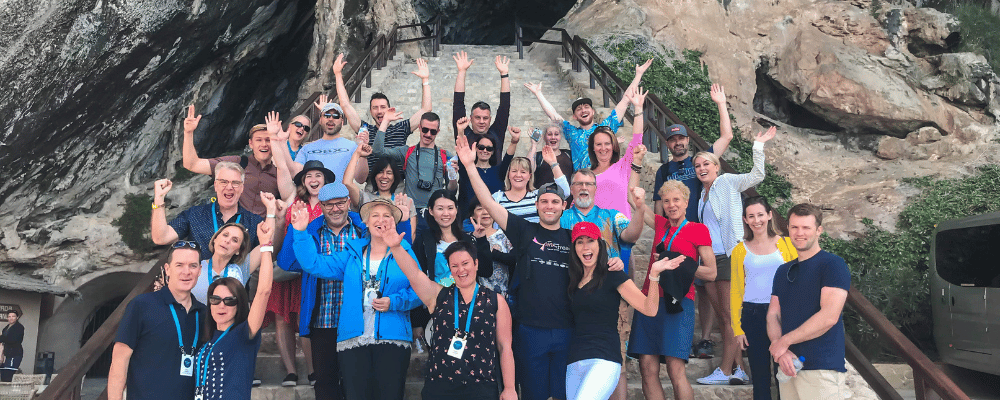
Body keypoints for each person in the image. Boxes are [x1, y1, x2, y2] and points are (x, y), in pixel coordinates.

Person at [455, 133, 625, 400]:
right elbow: (488, 202)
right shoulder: (524, 230)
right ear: (536, 205)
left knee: (562, 395)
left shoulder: (573, 239)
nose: (549, 205)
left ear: (563, 205)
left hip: (567, 331)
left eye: (555, 201)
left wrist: (614, 261)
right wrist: (468, 166)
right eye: (544, 201)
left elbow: (598, 262)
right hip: (530, 330)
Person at [277, 182, 409, 399]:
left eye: (340, 203)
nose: (335, 208)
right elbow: (288, 263)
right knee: (327, 383)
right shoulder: (311, 228)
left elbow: (402, 257)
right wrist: (296, 230)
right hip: (325, 318)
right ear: (320, 206)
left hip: (362, 320)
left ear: (349, 203)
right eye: (329, 205)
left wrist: (402, 222)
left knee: (361, 386)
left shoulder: (365, 227)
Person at [650, 85, 734, 359]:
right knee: (688, 284)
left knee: (706, 289)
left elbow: (726, 136)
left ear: (687, 140)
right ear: (668, 144)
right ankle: (680, 336)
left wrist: (721, 103)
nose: (677, 143)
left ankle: (707, 338)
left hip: (704, 233)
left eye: (681, 139)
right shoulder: (664, 170)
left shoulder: (701, 161)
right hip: (679, 234)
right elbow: (659, 204)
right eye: (673, 140)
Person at [565, 222, 685, 400]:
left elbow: (649, 309)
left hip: (604, 359)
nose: (585, 246)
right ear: (574, 248)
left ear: (600, 244)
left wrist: (654, 275)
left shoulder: (612, 274)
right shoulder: (572, 280)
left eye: (590, 240)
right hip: (575, 361)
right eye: (579, 242)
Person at [694, 126, 776, 386]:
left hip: (730, 256)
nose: (702, 168)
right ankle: (739, 369)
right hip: (710, 260)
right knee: (723, 318)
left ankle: (725, 370)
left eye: (706, 163)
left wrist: (758, 147)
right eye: (697, 166)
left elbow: (758, 174)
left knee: (731, 316)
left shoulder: (727, 182)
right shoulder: (700, 195)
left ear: (716, 166)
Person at [394, 238, 517, 400]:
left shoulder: (496, 301)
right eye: (454, 266)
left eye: (465, 263)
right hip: (440, 387)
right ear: (450, 269)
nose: (461, 270)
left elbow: (505, 347)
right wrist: (395, 246)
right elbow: (414, 274)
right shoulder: (437, 296)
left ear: (476, 264)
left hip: (482, 387)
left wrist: (510, 388)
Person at [628, 180, 717, 400]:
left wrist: (681, 262)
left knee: (675, 369)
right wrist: (636, 164)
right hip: (649, 300)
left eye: (676, 200)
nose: (671, 205)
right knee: (647, 368)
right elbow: (634, 200)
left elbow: (712, 272)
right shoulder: (660, 224)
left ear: (686, 202)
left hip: (678, 302)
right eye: (666, 201)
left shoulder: (698, 229)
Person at [767, 204, 851, 400]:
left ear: (818, 230)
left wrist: (784, 342)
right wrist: (782, 350)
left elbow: (829, 316)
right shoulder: (783, 271)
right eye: (795, 227)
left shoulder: (832, 265)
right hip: (789, 366)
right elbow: (773, 314)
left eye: (806, 228)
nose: (800, 233)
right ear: (788, 229)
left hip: (822, 368)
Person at [108, 242, 205, 400]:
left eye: (193, 266)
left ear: (200, 270)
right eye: (179, 265)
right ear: (167, 269)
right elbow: (119, 360)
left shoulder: (204, 313)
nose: (186, 272)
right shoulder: (141, 305)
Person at [271, 160, 338, 386]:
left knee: (305, 318)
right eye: (309, 176)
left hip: (312, 272)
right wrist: (280, 222)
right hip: (288, 268)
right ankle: (290, 371)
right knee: (282, 319)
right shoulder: (294, 204)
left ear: (325, 180)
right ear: (303, 181)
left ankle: (312, 371)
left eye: (318, 175)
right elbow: (279, 242)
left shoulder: (332, 205)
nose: (313, 180)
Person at [193, 218, 274, 400]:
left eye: (229, 301)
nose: (221, 305)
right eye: (215, 299)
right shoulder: (206, 338)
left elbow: (263, 291)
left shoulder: (244, 334)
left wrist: (266, 245)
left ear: (239, 305)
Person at [523, 58, 651, 170]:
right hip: (581, 184)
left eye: (586, 107)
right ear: (574, 116)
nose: (583, 110)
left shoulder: (605, 129)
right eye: (579, 109)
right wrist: (538, 94)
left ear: (593, 111)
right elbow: (554, 115)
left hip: (603, 180)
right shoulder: (571, 132)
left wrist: (638, 75)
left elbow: (625, 100)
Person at [730, 196, 797, 400]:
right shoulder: (740, 250)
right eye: (751, 216)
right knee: (759, 375)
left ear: (769, 215)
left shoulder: (787, 244)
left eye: (760, 214)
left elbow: (798, 281)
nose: (756, 220)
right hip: (752, 313)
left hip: (781, 314)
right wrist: (737, 327)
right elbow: (735, 291)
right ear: (745, 219)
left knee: (784, 372)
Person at [411, 190, 495, 352]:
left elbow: (485, 271)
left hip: (468, 311)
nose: (445, 213)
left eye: (450, 208)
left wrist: (481, 240)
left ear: (456, 210)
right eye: (440, 208)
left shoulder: (468, 239)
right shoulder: (424, 240)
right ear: (430, 211)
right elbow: (415, 278)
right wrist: (416, 322)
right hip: (434, 312)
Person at [333, 53, 432, 171]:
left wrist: (425, 80)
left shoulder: (401, 128)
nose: (379, 111)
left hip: (397, 183)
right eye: (375, 108)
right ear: (370, 111)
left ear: (389, 109)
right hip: (372, 183)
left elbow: (426, 110)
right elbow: (345, 105)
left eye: (383, 107)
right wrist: (338, 74)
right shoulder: (365, 130)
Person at [181, 105, 285, 216]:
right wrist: (188, 133)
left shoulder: (280, 173)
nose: (264, 144)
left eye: (268, 140)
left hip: (261, 230)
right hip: (230, 228)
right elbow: (192, 164)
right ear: (251, 144)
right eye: (259, 140)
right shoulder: (236, 163)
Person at [150, 162, 267, 260]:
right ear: (215, 185)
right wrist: (158, 199)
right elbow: (161, 238)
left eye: (235, 183)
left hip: (235, 286)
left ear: (242, 188)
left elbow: (268, 252)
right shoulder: (194, 214)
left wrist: (276, 216)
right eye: (223, 182)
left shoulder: (254, 222)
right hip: (198, 285)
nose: (229, 187)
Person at [372, 111, 458, 235]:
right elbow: (378, 151)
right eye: (425, 130)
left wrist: (453, 176)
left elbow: (452, 191)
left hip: (435, 214)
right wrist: (385, 121)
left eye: (433, 131)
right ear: (419, 128)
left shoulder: (445, 155)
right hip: (411, 213)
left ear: (438, 132)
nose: (428, 134)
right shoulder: (407, 151)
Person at [469, 118, 569, 223]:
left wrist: (553, 164)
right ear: (508, 175)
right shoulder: (498, 198)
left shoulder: (537, 196)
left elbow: (565, 192)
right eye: (514, 171)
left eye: (523, 172)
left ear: (530, 175)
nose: (518, 175)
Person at [270, 103, 369, 184]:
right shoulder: (307, 149)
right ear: (320, 120)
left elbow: (361, 179)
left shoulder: (352, 147)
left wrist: (363, 156)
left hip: (340, 204)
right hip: (314, 204)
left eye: (335, 116)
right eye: (326, 115)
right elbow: (294, 173)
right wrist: (282, 143)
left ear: (342, 122)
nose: (331, 119)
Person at [593, 86, 647, 219]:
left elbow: (636, 140)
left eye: (607, 144)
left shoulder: (622, 167)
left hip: (621, 230)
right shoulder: (587, 174)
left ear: (614, 146)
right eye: (598, 144)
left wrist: (638, 108)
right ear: (593, 148)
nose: (603, 148)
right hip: (596, 233)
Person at [452, 51, 510, 164]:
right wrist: (462, 71)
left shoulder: (496, 132)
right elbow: (458, 104)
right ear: (471, 118)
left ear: (490, 119)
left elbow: (505, 106)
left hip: (493, 181)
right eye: (478, 117)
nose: (482, 121)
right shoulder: (463, 132)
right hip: (467, 181)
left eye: (485, 118)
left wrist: (504, 74)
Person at [345, 148, 418, 236]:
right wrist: (357, 154)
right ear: (374, 176)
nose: (384, 176)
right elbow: (347, 183)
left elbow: (412, 236)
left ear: (395, 177)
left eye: (389, 173)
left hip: (398, 248)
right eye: (380, 172)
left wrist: (402, 221)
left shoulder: (406, 201)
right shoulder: (365, 198)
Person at [456, 129, 513, 219]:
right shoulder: (467, 169)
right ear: (476, 148)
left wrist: (514, 141)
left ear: (493, 151)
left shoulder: (499, 171)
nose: (485, 150)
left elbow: (508, 158)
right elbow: (462, 151)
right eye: (481, 147)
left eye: (489, 148)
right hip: (471, 220)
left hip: (495, 220)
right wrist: (460, 131)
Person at [468, 198, 514, 303]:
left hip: (504, 296)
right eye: (479, 209)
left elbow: (514, 260)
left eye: (488, 208)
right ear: (473, 215)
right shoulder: (468, 239)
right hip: (477, 298)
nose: (485, 212)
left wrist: (495, 254)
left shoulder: (505, 235)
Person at [529, 123, 574, 189]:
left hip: (567, 198)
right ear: (544, 137)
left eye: (556, 134)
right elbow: (528, 170)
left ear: (560, 137)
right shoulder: (538, 156)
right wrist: (534, 145)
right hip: (544, 197)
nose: (553, 137)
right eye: (549, 134)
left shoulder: (569, 154)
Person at [0, 310, 24, 382]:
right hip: (7, 354)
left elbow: (11, 340)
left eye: (13, 316)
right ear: (7, 318)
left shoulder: (19, 327)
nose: (11, 318)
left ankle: (8, 392)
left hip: (15, 354)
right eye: (9, 316)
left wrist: (1, 337)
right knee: (3, 374)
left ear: (17, 317)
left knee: (8, 374)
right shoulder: (6, 328)